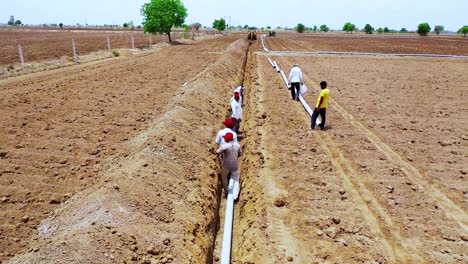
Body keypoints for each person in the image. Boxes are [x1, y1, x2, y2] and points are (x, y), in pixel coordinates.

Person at [215, 132, 242, 200]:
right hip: (235, 166)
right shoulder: (238, 145)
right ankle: (235, 197)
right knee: (236, 180)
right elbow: (240, 154)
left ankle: (227, 191)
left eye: (225, 138)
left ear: (228, 139)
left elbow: (217, 152)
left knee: (224, 178)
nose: (224, 139)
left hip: (226, 166)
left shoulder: (225, 146)